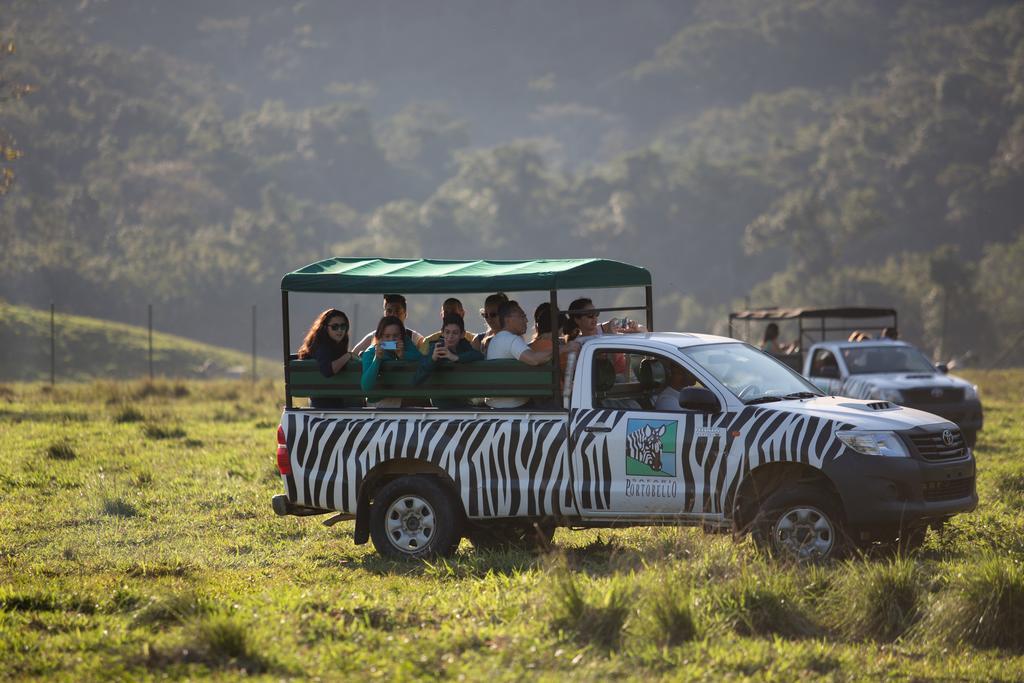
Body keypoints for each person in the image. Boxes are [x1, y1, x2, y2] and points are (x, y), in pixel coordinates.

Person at [485, 300, 552, 409]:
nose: (526, 320)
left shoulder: (496, 339)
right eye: (522, 316)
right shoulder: (511, 339)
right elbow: (534, 359)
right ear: (508, 319)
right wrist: (562, 349)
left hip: (494, 403)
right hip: (513, 404)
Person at [414, 313, 485, 407]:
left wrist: (455, 357)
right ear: (442, 333)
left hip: (462, 401)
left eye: (455, 333)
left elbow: (478, 355)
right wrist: (432, 359)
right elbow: (417, 380)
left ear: (462, 334)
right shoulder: (436, 348)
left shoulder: (464, 345)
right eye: (447, 332)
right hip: (441, 402)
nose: (450, 336)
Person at [296, 308, 360, 409]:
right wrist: (348, 356)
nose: (340, 330)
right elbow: (327, 370)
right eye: (335, 327)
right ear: (325, 328)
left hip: (326, 398)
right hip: (326, 402)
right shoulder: (323, 347)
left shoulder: (331, 345)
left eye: (343, 326)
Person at [360, 315, 423, 408]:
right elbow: (366, 387)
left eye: (396, 336)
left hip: (399, 395)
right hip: (378, 401)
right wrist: (377, 360)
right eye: (387, 336)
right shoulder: (370, 353)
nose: (391, 340)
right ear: (379, 337)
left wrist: (403, 355)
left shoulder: (404, 343)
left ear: (402, 336)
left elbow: (420, 358)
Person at [352, 294, 424, 354]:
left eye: (397, 311)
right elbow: (353, 355)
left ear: (405, 314)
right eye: (389, 311)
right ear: (384, 314)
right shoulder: (373, 337)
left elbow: (426, 359)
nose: (393, 315)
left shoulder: (415, 339)